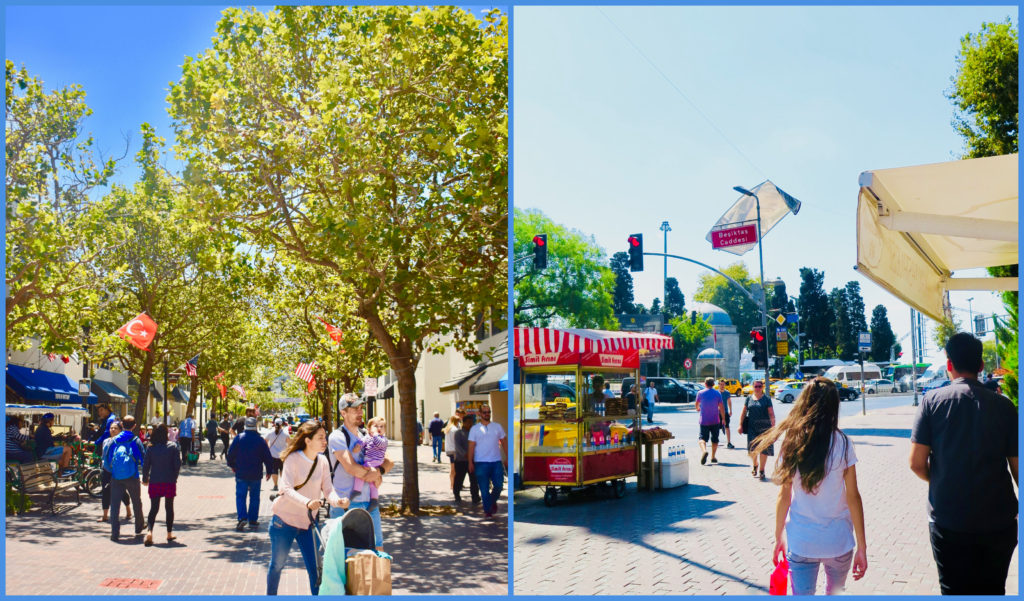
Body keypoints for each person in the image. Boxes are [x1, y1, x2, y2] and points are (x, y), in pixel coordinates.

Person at [909, 332, 1018, 595]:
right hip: (998, 520)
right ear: (981, 366)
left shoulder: (931, 402)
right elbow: (1018, 469)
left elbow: (915, 462)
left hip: (948, 520)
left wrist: (940, 477)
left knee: (953, 590)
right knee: (994, 589)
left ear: (949, 365)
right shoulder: (1004, 406)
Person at [754, 377, 868, 595]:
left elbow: (784, 496)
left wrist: (778, 537)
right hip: (838, 542)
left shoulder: (792, 442)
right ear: (834, 406)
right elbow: (854, 497)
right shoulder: (843, 443)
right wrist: (862, 546)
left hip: (801, 542)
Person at [267, 420, 349, 595]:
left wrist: (338, 501)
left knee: (317, 569)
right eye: (320, 438)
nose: (324, 441)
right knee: (277, 566)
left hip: (308, 524)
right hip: (284, 522)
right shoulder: (293, 459)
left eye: (325, 437)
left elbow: (328, 490)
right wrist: (307, 502)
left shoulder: (323, 461)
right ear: (308, 440)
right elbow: (286, 488)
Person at [328, 394, 391, 551]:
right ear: (343, 413)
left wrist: (379, 470)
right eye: (355, 409)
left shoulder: (367, 435)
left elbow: (389, 462)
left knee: (377, 551)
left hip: (370, 504)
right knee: (345, 555)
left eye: (361, 408)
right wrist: (376, 474)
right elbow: (351, 468)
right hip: (346, 504)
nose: (360, 412)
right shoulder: (337, 436)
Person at [227, 416, 275, 531]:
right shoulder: (260, 440)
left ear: (245, 426)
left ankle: (242, 517)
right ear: (255, 426)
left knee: (240, 496)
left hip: (241, 472)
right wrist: (269, 471)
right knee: (255, 497)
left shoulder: (239, 438)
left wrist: (233, 466)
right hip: (256, 473)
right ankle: (253, 519)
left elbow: (230, 455)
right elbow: (268, 457)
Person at [107, 415, 146, 541]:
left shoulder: (114, 440)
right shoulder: (135, 440)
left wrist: (112, 471)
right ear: (134, 426)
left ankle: (114, 532)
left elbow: (107, 458)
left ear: (122, 425)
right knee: (136, 502)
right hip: (132, 475)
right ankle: (139, 526)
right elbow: (143, 458)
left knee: (115, 504)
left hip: (116, 476)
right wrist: (145, 476)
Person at [142, 424, 181, 546]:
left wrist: (145, 478)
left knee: (154, 508)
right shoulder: (173, 447)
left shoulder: (151, 448)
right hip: (168, 481)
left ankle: (150, 531)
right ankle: (169, 533)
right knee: (169, 507)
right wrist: (174, 477)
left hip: (155, 480)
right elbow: (177, 465)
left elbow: (146, 465)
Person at [468, 404, 507, 518]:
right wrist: (470, 462)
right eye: (484, 412)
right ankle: (488, 511)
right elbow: (471, 446)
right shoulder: (474, 429)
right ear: (479, 414)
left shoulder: (497, 427)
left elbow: (504, 442)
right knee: (484, 490)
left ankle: (491, 501)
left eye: (488, 412)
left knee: (499, 486)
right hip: (480, 462)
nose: (487, 414)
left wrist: (507, 458)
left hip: (496, 462)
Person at [737, 379, 776, 480]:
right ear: (753, 387)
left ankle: (762, 470)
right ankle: (755, 464)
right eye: (756, 386)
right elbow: (743, 412)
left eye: (760, 386)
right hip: (752, 427)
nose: (758, 388)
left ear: (762, 387)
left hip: (765, 427)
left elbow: (771, 414)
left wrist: (773, 427)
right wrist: (740, 425)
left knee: (764, 450)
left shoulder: (766, 399)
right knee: (752, 450)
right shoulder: (749, 398)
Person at [97, 421, 132, 523]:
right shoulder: (106, 441)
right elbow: (103, 455)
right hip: (106, 470)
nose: (112, 430)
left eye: (115, 428)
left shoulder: (124, 442)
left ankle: (128, 509)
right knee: (105, 491)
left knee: (121, 491)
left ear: (120, 430)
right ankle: (105, 515)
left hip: (118, 471)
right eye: (111, 428)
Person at [351, 416, 388, 511]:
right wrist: (358, 446)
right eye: (376, 426)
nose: (379, 428)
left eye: (382, 427)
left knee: (362, 476)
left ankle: (358, 491)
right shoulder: (368, 437)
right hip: (369, 461)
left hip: (375, 461)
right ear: (369, 429)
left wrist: (375, 435)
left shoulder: (383, 439)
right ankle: (372, 499)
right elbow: (362, 442)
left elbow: (380, 444)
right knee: (372, 481)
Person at [695, 378, 726, 465]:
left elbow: (697, 404)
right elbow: (721, 407)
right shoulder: (717, 393)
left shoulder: (700, 393)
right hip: (715, 420)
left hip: (704, 420)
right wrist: (723, 419)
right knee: (715, 439)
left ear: (705, 384)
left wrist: (698, 408)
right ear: (713, 384)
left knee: (702, 438)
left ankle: (704, 451)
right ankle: (713, 457)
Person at [453, 413, 480, 504]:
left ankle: (475, 496)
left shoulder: (474, 433)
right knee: (459, 478)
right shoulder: (458, 433)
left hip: (472, 460)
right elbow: (457, 446)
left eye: (471, 422)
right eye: (468, 422)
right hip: (461, 460)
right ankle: (456, 494)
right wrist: (465, 454)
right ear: (463, 423)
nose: (470, 424)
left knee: (474, 479)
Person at [264, 418, 291, 492]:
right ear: (282, 424)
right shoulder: (285, 433)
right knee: (282, 470)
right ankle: (282, 485)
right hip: (282, 455)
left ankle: (275, 485)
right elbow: (290, 444)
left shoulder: (270, 432)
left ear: (274, 423)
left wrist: (267, 448)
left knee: (274, 470)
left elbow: (265, 441)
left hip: (272, 455)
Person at [717, 380, 736, 449]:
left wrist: (730, 410)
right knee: (716, 428)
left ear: (725, 385)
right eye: (721, 384)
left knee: (727, 427)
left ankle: (729, 442)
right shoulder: (716, 393)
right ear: (718, 385)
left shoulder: (727, 393)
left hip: (725, 412)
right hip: (717, 413)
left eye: (723, 384)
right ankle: (716, 442)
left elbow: (729, 402)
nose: (722, 386)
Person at [443, 415, 461, 489]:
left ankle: (452, 484)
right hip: (454, 450)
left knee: (452, 468)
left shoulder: (448, 429)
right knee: (455, 469)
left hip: (449, 450)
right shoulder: (455, 429)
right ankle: (453, 485)